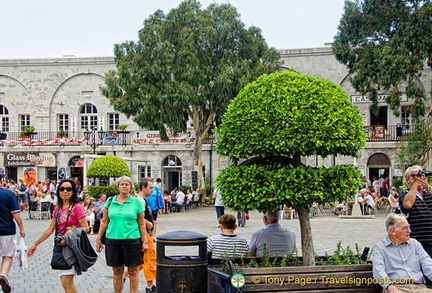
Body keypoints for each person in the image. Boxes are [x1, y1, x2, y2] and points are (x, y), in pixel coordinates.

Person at [27, 179, 88, 293]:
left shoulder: (76, 207)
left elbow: (86, 228)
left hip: (71, 247)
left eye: (68, 189)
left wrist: (73, 230)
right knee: (65, 283)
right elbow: (50, 229)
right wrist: (35, 244)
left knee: (66, 282)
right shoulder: (58, 208)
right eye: (62, 189)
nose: (65, 191)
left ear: (73, 191)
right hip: (59, 246)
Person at [95, 176, 147, 293]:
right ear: (118, 187)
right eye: (122, 184)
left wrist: (145, 241)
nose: (124, 186)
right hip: (113, 239)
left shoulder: (136, 202)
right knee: (117, 270)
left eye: (127, 184)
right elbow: (104, 221)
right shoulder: (110, 201)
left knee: (133, 270)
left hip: (132, 239)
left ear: (130, 187)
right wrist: (98, 238)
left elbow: (142, 223)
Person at [372, 213, 432, 293]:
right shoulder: (380, 248)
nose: (409, 231)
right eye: (405, 228)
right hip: (397, 288)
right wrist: (390, 286)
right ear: (393, 231)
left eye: (409, 227)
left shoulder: (415, 244)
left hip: (419, 288)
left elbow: (428, 265)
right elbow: (378, 271)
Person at [399, 165, 432, 258]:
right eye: (414, 176)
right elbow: (408, 204)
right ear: (407, 180)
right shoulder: (405, 195)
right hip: (418, 242)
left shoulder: (429, 193)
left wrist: (427, 186)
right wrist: (415, 185)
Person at [0, 174, 26, 293]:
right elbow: (16, 214)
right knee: (8, 255)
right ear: (1, 181)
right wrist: (22, 228)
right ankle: (3, 275)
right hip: (7, 230)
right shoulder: (8, 194)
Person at [135, 178, 156, 293]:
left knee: (143, 261)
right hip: (144, 234)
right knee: (149, 259)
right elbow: (140, 218)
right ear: (143, 188)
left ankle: (124, 274)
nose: (152, 190)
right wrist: (148, 225)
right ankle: (150, 286)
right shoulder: (140, 201)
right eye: (150, 187)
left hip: (147, 234)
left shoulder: (143, 199)